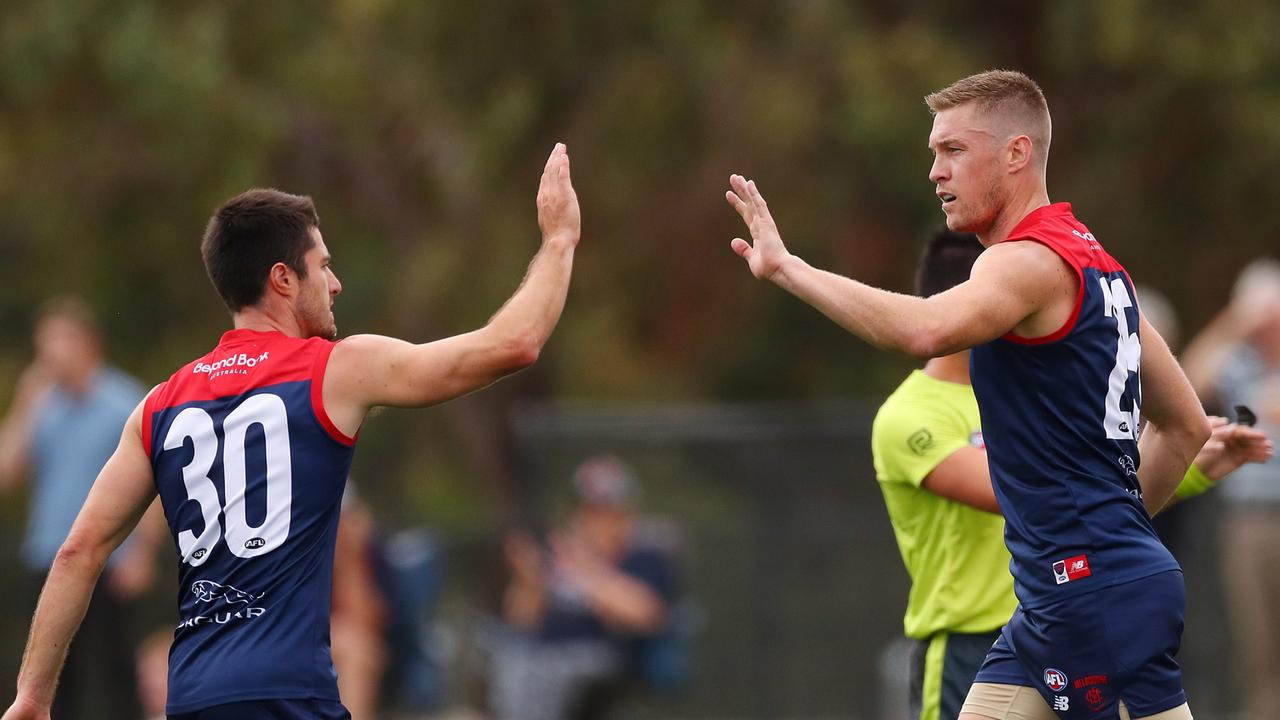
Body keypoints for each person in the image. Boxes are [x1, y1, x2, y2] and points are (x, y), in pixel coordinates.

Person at [1, 142, 580, 720]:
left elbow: (78, 550)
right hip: (288, 696)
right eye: (323, 265)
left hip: (194, 697)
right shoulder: (333, 370)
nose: (336, 285)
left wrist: (32, 696)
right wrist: (558, 240)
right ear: (282, 278)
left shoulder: (158, 405)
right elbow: (512, 344)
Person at [728, 70, 1211, 719]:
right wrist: (1122, 546)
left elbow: (923, 328)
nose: (935, 171)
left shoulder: (1024, 262)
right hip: (1062, 599)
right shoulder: (1101, 267)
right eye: (933, 152)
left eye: (953, 150)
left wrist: (789, 268)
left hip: (1090, 596)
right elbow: (1186, 426)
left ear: (1016, 153)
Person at [872, 231, 1272, 720]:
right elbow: (1035, 492)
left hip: (1062, 623)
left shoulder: (1012, 394)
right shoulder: (907, 416)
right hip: (968, 645)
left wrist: (1191, 462)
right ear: (960, 309)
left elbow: (1093, 494)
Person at [0, 296, 159, 720]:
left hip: (109, 559)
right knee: (50, 680)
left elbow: (157, 483)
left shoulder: (126, 401)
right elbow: (8, 471)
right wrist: (25, 402)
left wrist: (143, 553)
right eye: (44, 343)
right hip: (47, 558)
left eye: (59, 340)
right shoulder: (42, 406)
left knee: (116, 671)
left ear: (88, 343)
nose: (51, 353)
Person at [491, 456, 680, 720]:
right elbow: (521, 620)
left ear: (627, 513)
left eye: (609, 512)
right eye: (592, 511)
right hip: (537, 656)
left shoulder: (644, 555)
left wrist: (587, 571)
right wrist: (529, 580)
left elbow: (645, 613)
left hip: (600, 658)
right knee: (513, 659)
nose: (600, 522)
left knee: (550, 673)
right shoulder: (556, 552)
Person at [1179, 258, 1280, 719]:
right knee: (1255, 643)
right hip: (1248, 520)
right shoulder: (1237, 361)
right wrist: (1236, 319)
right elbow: (1192, 376)